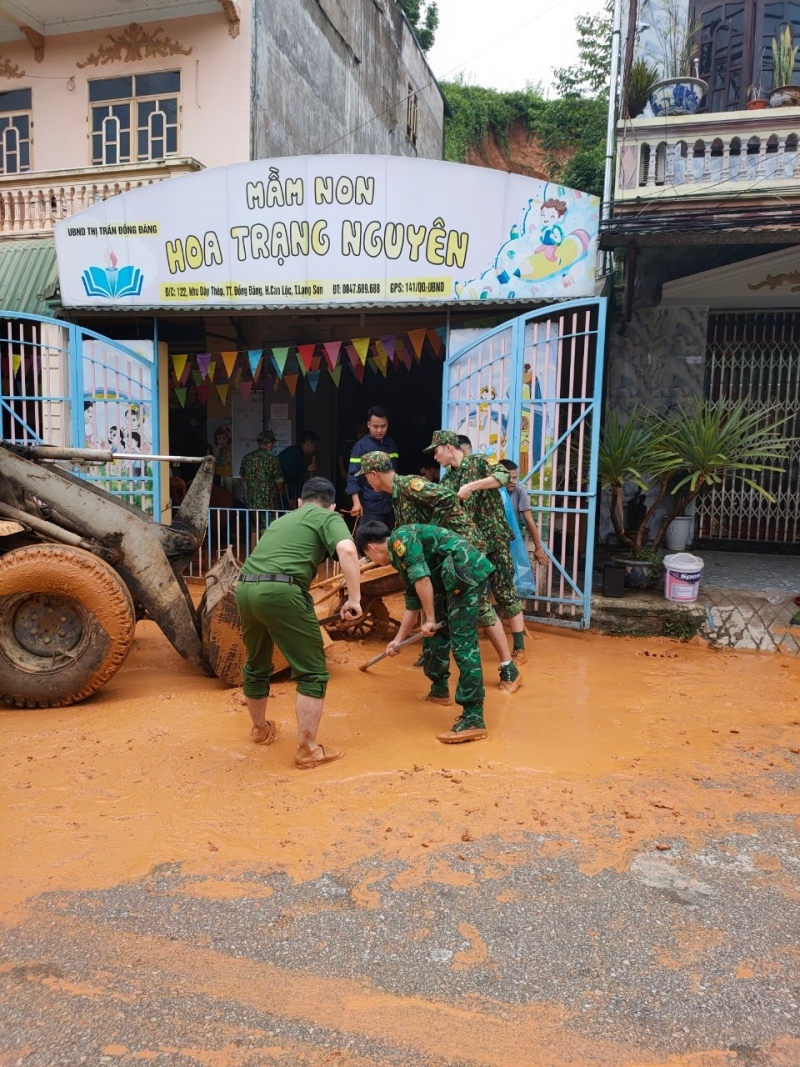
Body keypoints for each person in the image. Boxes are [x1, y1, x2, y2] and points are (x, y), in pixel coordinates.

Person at [358, 450, 519, 690]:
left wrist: (433, 532)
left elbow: (446, 497)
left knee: (480, 607)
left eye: (366, 477)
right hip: (440, 557)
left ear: (374, 474)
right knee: (434, 605)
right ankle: (437, 679)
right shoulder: (397, 497)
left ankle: (509, 668)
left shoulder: (410, 485)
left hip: (461, 549)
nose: (367, 482)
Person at [235, 477, 362, 769]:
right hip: (281, 592)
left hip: (244, 588)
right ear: (332, 506)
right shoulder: (328, 517)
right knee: (312, 672)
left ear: (300, 502)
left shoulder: (282, 520)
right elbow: (347, 550)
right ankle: (307, 750)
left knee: (256, 664)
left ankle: (260, 731)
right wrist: (354, 599)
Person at [357, 520, 492, 744]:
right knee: (435, 637)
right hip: (449, 579)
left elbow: (422, 579)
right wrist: (397, 641)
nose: (373, 562)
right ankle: (440, 690)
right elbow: (412, 602)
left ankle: (473, 719)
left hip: (465, 573)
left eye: (369, 557)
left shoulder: (401, 539)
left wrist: (430, 619)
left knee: (463, 644)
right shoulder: (400, 559)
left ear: (371, 548)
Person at [427, 429, 528, 667]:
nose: (435, 457)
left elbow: (503, 475)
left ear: (449, 448)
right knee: (479, 596)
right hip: (473, 547)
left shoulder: (478, 462)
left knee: (505, 591)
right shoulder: (448, 480)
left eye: (436, 451)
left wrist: (473, 486)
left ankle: (520, 648)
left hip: (496, 539)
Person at [346, 406, 399, 525]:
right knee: (371, 540)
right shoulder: (360, 447)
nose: (380, 430)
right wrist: (356, 503)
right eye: (375, 426)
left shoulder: (391, 444)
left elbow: (395, 473)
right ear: (368, 424)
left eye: (383, 426)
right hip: (371, 505)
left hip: (392, 504)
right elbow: (352, 477)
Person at [498, 459, 548, 566]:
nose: (514, 481)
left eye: (515, 477)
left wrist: (538, 548)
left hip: (510, 543)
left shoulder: (519, 491)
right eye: (510, 477)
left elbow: (529, 521)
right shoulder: (488, 491)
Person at [240, 429, 285, 511]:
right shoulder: (272, 459)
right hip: (268, 501)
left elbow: (243, 477)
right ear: (270, 444)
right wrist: (281, 492)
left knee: (255, 522)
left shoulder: (247, 458)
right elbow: (279, 481)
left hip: (252, 500)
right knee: (269, 522)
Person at [278, 430, 320, 507]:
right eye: (314, 445)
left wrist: (291, 497)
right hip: (276, 484)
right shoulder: (294, 452)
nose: (315, 448)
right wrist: (306, 469)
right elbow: (289, 470)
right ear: (308, 443)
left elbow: (292, 478)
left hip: (280, 485)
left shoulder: (299, 454)